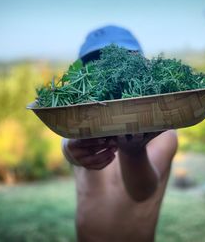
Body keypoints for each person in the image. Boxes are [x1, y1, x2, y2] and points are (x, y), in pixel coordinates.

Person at [61, 25, 178, 242]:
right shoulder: (80, 126)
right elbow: (69, 148)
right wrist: (68, 149)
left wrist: (133, 153)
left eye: (120, 62)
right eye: (94, 66)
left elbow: (141, 193)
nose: (107, 73)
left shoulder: (163, 134)